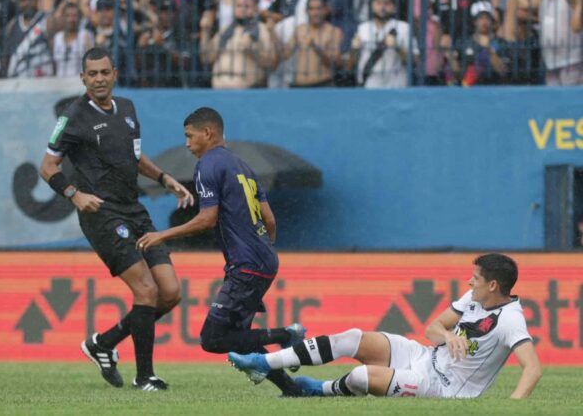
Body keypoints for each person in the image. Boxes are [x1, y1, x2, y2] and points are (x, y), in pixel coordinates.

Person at [39, 47, 193, 391]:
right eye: (91, 74)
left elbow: (135, 157)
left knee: (170, 292)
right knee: (146, 289)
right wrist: (74, 195)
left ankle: (103, 343)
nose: (98, 79)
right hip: (102, 214)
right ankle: (145, 377)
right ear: (82, 78)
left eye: (104, 73)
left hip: (134, 209)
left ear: (115, 74)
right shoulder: (72, 117)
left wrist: (166, 179)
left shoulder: (127, 109)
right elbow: (47, 167)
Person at [136, 107, 306, 397]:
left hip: (247, 263)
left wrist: (162, 235)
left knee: (212, 339)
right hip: (263, 260)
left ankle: (286, 335)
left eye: (189, 136)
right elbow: (270, 219)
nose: (187, 144)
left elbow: (207, 219)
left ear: (208, 133)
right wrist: (263, 247)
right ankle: (291, 390)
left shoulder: (207, 165)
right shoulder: (244, 167)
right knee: (241, 337)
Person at [228, 253, 542, 400]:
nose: (469, 281)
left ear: (494, 285)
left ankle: (317, 391)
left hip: (445, 388)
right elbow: (433, 328)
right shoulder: (473, 299)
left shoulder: (511, 319)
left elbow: (533, 369)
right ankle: (262, 362)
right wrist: (447, 334)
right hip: (424, 357)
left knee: (363, 376)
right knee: (353, 338)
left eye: (475, 278)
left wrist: (513, 406)